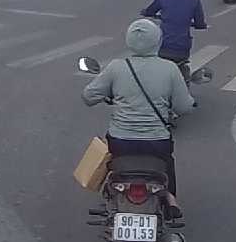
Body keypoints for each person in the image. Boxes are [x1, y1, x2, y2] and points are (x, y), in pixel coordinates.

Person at [82, 18, 194, 219]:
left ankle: (110, 195)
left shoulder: (116, 67)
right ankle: (170, 201)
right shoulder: (170, 69)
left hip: (121, 142)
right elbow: (184, 108)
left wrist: (110, 94)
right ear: (158, 40)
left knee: (111, 163)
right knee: (167, 164)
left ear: (128, 41)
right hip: (157, 143)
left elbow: (88, 97)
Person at [141, 0, 207, 76]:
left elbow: (150, 11)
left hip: (163, 47)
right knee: (184, 74)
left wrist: (146, 12)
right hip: (182, 49)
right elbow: (200, 23)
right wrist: (200, 25)